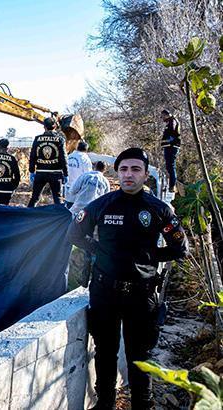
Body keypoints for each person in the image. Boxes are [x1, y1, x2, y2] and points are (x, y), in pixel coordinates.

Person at [67, 148, 189, 410]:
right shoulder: (102, 204)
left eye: (135, 169)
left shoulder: (158, 209)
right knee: (105, 353)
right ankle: (106, 403)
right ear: (116, 172)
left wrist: (149, 255)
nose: (128, 175)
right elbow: (75, 234)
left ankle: (142, 404)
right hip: (104, 293)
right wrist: (97, 250)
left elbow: (181, 248)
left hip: (141, 294)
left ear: (145, 174)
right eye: (123, 169)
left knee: (139, 356)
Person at [27, 117, 68, 207]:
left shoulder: (37, 139)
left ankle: (27, 217)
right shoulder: (60, 139)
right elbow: (63, 158)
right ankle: (60, 219)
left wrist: (31, 171)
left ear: (44, 127)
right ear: (55, 126)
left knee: (35, 198)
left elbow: (33, 156)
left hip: (40, 173)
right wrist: (66, 173)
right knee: (58, 198)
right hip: (55, 174)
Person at [66, 140, 93, 209]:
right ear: (86, 150)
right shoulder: (85, 159)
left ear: (77, 147)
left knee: (67, 206)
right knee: (75, 209)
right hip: (78, 188)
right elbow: (88, 175)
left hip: (67, 185)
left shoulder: (69, 156)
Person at [160, 109, 181, 192]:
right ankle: (171, 186)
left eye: (163, 116)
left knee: (171, 166)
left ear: (167, 115)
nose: (162, 118)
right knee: (169, 166)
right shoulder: (170, 122)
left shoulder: (172, 121)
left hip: (172, 147)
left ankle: (173, 186)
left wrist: (169, 142)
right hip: (169, 147)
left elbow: (172, 134)